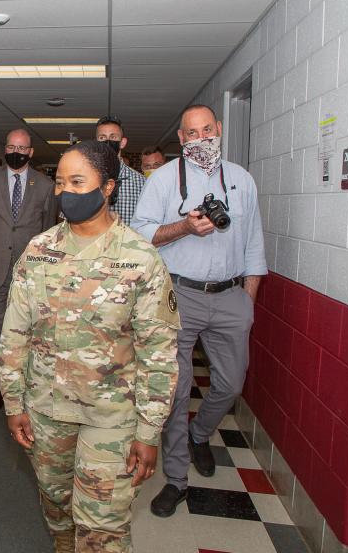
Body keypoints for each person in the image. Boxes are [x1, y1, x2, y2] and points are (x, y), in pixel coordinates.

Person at [0, 140, 179, 553]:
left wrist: (149, 431)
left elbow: (159, 352)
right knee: (57, 507)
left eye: (78, 181)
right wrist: (13, 403)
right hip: (46, 409)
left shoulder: (139, 259)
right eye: (60, 183)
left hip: (111, 416)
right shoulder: (38, 252)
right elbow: (14, 336)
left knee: (102, 527)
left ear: (108, 187)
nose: (66, 192)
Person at [131, 104, 266, 518]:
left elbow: (254, 245)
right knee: (175, 390)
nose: (201, 138)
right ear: (182, 138)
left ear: (219, 129)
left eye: (208, 130)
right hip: (179, 295)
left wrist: (247, 299)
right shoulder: (166, 179)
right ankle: (176, 480)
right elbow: (141, 232)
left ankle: (200, 433)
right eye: (192, 133)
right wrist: (185, 227)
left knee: (231, 383)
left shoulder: (241, 180)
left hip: (230, 297)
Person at [0, 128, 57, 412]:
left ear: (31, 152)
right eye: (11, 146)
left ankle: (28, 387)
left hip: (30, 273)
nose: (16, 152)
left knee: (29, 330)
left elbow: (48, 232)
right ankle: (1, 390)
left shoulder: (45, 185)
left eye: (22, 148)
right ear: (4, 149)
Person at [95, 116, 145, 227]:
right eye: (102, 137)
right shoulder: (85, 178)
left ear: (122, 142)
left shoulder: (141, 182)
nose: (107, 141)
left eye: (113, 137)